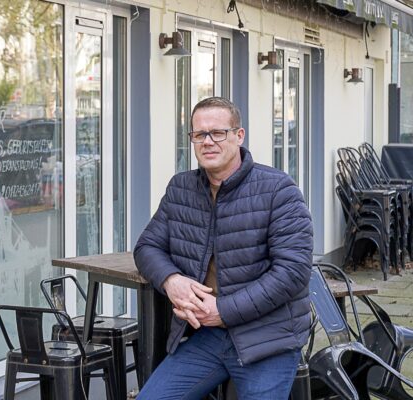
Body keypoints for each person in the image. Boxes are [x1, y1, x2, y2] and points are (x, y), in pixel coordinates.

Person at [134, 97, 313, 399]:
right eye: (199, 134)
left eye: (217, 133)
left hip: (267, 337)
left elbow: (292, 272)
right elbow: (147, 246)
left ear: (238, 136)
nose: (207, 142)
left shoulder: (278, 189)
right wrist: (171, 281)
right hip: (208, 337)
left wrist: (223, 310)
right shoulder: (181, 188)